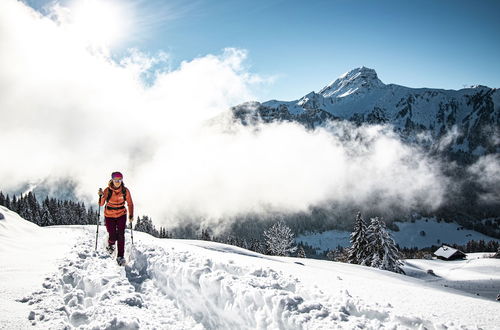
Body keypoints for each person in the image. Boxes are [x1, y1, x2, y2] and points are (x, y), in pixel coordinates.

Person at [98, 171, 134, 266]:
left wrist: (131, 215)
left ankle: (120, 257)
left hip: (121, 214)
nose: (117, 182)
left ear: (122, 180)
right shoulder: (107, 190)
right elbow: (101, 204)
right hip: (109, 215)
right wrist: (101, 196)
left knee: (121, 235)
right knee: (113, 235)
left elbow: (130, 203)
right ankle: (110, 244)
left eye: (119, 180)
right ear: (112, 180)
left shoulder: (125, 191)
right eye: (115, 180)